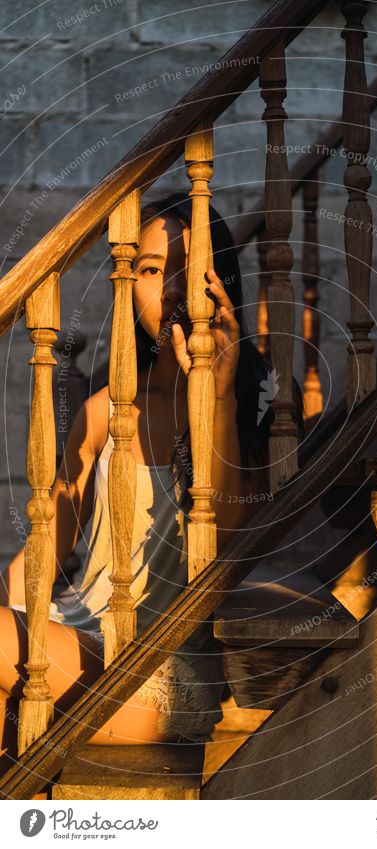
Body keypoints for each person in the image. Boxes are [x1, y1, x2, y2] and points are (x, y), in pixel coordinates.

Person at [0, 192, 304, 761]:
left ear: (220, 282)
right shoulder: (102, 414)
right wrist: (12, 610)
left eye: (188, 270)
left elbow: (228, 540)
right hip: (69, 648)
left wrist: (215, 392)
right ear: (126, 286)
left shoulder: (254, 404)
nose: (168, 287)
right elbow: (44, 546)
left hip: (159, 676)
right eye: (150, 269)